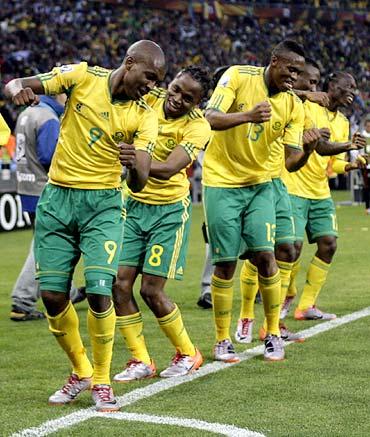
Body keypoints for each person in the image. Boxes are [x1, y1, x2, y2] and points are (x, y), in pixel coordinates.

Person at [5, 39, 166, 411]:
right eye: (150, 76)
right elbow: (18, 83)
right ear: (130, 63)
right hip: (58, 200)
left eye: (158, 81)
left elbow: (139, 183)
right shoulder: (81, 76)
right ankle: (80, 370)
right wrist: (18, 91)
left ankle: (102, 380)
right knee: (51, 296)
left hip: (104, 206)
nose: (152, 86)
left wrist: (134, 165)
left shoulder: (145, 115)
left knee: (98, 289)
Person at [203, 40, 306, 362]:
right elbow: (211, 117)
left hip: (261, 185)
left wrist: (309, 148)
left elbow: (291, 160)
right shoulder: (237, 75)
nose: (294, 77)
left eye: (298, 72)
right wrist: (247, 115)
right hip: (221, 182)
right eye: (290, 69)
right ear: (274, 61)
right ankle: (222, 339)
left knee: (266, 256)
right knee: (225, 263)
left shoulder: (293, 106)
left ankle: (272, 332)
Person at [113, 66, 211, 382]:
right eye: (176, 89)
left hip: (168, 212)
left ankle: (188, 352)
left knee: (151, 291)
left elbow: (170, 168)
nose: (177, 99)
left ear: (197, 103)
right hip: (133, 206)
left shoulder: (198, 127)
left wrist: (134, 161)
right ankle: (140, 359)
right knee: (119, 285)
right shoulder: (150, 99)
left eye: (188, 98)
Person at [280, 70, 367, 321]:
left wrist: (353, 163)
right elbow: (318, 147)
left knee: (329, 244)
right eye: (348, 85)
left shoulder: (343, 122)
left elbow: (333, 164)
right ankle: (288, 293)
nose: (353, 91)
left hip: (319, 192)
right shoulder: (308, 106)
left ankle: (306, 305)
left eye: (355, 87)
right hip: (294, 188)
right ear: (332, 84)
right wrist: (349, 146)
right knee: (292, 248)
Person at [10, 94, 86, 322]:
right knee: (43, 247)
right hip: (46, 191)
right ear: (58, 95)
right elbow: (51, 158)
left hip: (27, 186)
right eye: (67, 93)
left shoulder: (28, 112)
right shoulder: (48, 117)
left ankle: (68, 292)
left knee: (55, 242)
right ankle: (22, 300)